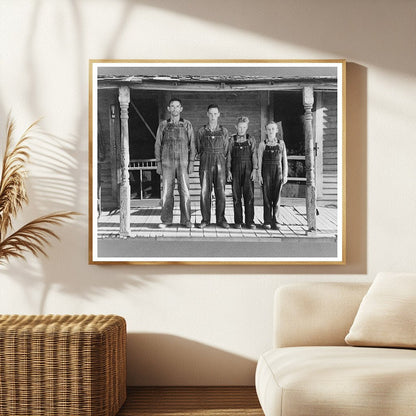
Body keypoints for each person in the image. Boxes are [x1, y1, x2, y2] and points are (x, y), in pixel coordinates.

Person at [154, 98, 196, 228]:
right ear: (168, 109)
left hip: (183, 163)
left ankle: (187, 220)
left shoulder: (187, 124)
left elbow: (192, 145)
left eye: (177, 106)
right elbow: (157, 145)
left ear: (181, 109)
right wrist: (159, 163)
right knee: (167, 191)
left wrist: (191, 162)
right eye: (172, 106)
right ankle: (166, 220)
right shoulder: (163, 125)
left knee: (185, 191)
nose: (175, 109)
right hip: (167, 163)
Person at [196, 104, 230, 229]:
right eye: (210, 114)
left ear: (219, 114)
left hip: (220, 162)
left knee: (220, 191)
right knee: (205, 191)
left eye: (215, 114)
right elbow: (199, 148)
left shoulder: (224, 131)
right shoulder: (201, 131)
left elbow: (226, 150)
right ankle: (205, 219)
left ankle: (221, 219)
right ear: (207, 114)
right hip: (205, 163)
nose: (213, 116)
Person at [227, 116, 258, 229]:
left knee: (249, 196)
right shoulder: (232, 140)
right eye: (240, 127)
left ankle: (250, 221)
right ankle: (238, 221)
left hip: (248, 170)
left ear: (247, 127)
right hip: (235, 170)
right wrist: (229, 171)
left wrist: (254, 170)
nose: (241, 129)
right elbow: (229, 156)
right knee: (236, 196)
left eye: (244, 127)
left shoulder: (251, 139)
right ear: (236, 127)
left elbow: (254, 155)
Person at [257, 121, 288, 230]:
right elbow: (259, 161)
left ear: (276, 130)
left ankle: (276, 220)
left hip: (278, 172)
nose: (271, 131)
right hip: (266, 172)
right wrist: (259, 175)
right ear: (266, 131)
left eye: (273, 129)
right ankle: (267, 221)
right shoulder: (263, 144)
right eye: (269, 129)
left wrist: (285, 174)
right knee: (266, 197)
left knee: (277, 197)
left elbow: (285, 160)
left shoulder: (281, 143)